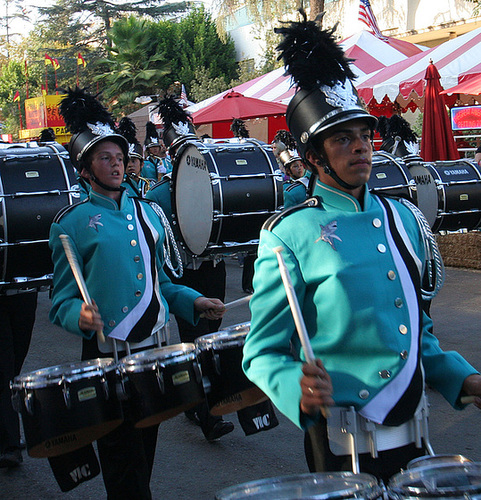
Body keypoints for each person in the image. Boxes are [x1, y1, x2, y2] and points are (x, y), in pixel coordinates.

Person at [242, 12, 481, 483]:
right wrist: (296, 388)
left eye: (364, 136)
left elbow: (416, 332)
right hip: (341, 448)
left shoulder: (402, 219)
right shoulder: (288, 233)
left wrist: (461, 377)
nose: (362, 148)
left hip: (417, 440)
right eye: (343, 139)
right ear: (314, 158)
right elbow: (261, 351)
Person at [50, 88, 225, 498]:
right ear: (86, 169)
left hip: (153, 352)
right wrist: (78, 315)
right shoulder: (70, 224)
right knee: (123, 460)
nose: (116, 164)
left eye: (119, 156)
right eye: (104, 158)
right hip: (107, 356)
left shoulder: (148, 212)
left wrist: (192, 301)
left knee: (144, 451)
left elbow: (161, 281)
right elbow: (61, 300)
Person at [146, 96, 234, 442]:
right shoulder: (157, 196)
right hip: (184, 274)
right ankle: (207, 411)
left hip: (213, 268)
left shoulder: (214, 187)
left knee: (210, 338)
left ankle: (196, 400)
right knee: (194, 341)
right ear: (171, 155)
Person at [0, 289, 38, 467]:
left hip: (24, 290)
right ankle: (10, 444)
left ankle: (6, 433)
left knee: (15, 364)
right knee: (4, 368)